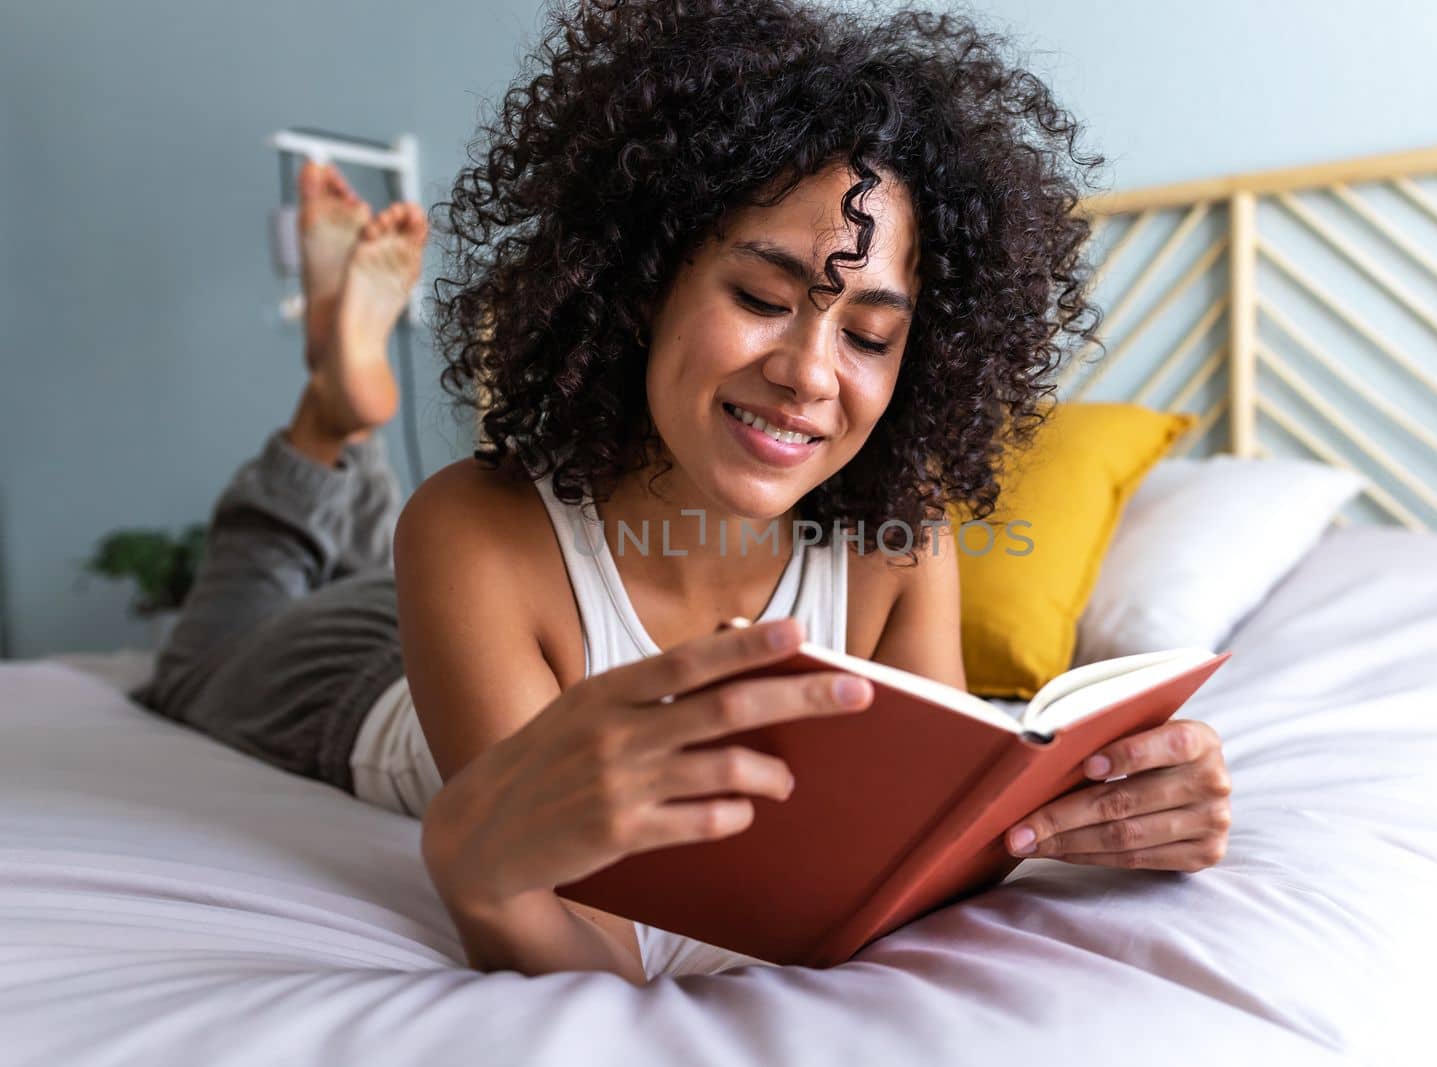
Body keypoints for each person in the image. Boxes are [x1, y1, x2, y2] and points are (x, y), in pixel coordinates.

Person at [134, 0, 1232, 986]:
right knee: (210, 646)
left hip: (487, 620)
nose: (808, 373)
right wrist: (480, 874)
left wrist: (1102, 812)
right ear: (636, 279)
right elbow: (587, 943)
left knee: (365, 559)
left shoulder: (900, 546)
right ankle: (330, 421)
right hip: (354, 685)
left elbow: (929, 857)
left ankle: (344, 427)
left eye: (868, 333)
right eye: (762, 295)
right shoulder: (474, 528)